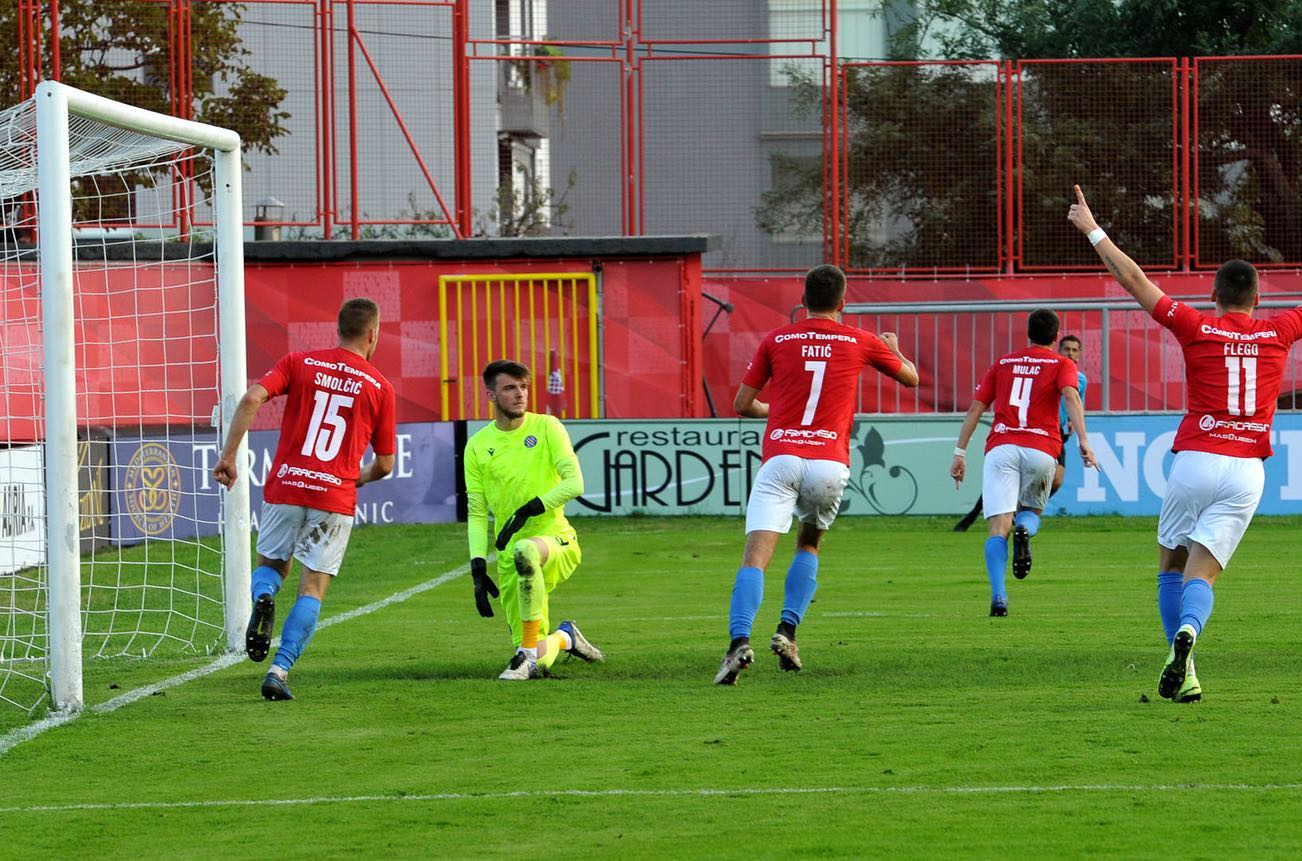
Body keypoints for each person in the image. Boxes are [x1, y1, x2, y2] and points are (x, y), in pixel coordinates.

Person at [1069, 184, 1302, 702]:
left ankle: (1186, 665)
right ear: (1257, 299)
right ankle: (1190, 636)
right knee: (1204, 576)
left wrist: (1093, 229)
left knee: (1171, 568)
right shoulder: (1280, 330)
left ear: (1214, 297)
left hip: (1197, 459)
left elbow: (1135, 280)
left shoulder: (1197, 326)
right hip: (1248, 470)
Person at [714, 264, 920, 685]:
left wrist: (775, 413)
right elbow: (912, 380)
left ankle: (738, 644)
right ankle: (787, 633)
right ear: (842, 303)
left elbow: (742, 404)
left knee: (755, 557)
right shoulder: (860, 340)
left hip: (781, 458)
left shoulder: (777, 339)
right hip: (828, 463)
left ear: (802, 301)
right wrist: (894, 349)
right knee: (808, 544)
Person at [213, 297, 397, 701]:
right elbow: (385, 465)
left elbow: (251, 398)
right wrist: (357, 478)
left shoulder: (300, 362)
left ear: (339, 329)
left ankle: (264, 597)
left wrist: (228, 456)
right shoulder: (381, 387)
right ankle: (279, 670)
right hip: (334, 494)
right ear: (372, 335)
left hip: (287, 485)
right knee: (312, 587)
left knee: (272, 568)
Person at [951, 310, 1097, 617]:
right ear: (1056, 337)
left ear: (1028, 333)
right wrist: (1084, 440)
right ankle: (1025, 530)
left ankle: (999, 597)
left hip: (1002, 447)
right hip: (1042, 449)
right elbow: (1071, 396)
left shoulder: (1003, 363)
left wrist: (960, 452)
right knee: (1030, 512)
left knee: (996, 527)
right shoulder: (1062, 364)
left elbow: (976, 408)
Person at [463, 359, 603, 680]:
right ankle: (565, 638)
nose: (520, 394)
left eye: (524, 387)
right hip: (509, 558)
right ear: (491, 395)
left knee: (525, 549)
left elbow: (575, 483)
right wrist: (477, 567)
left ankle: (525, 656)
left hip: (556, 541)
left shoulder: (547, 427)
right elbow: (477, 511)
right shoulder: (477, 447)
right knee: (539, 655)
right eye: (510, 388)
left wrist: (528, 510)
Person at [952, 334, 1089, 530]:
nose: (1070, 353)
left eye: (1074, 350)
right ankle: (993, 516)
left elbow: (1075, 400)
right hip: (1032, 431)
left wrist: (1071, 422)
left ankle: (1019, 516)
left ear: (1079, 354)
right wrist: (1084, 440)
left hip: (1054, 434)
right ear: (1057, 347)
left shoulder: (1080, 379)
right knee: (1010, 480)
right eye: (1067, 349)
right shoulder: (1048, 368)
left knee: (1055, 479)